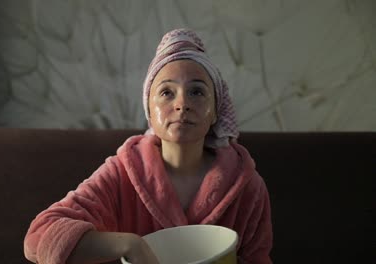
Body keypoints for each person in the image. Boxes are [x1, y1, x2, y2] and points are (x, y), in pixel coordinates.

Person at [24, 28, 273, 264]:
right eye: (166, 92)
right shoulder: (122, 173)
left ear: (215, 112)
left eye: (197, 92)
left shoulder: (247, 186)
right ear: (149, 112)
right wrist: (130, 245)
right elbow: (38, 237)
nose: (182, 104)